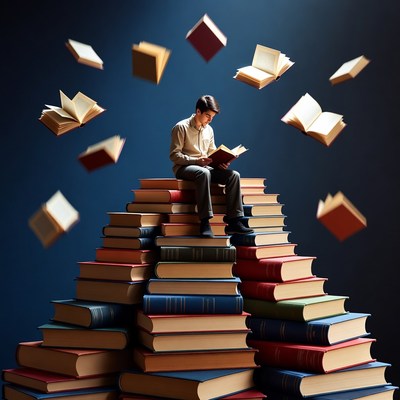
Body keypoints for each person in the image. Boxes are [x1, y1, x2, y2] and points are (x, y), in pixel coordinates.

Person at [169, 95, 254, 237]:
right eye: (208, 116)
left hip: (204, 167)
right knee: (204, 173)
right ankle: (205, 222)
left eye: (212, 117)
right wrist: (196, 161)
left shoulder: (209, 130)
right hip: (184, 168)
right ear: (198, 112)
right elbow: (174, 156)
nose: (210, 120)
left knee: (234, 175)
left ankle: (234, 221)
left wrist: (221, 162)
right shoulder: (181, 127)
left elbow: (211, 153)